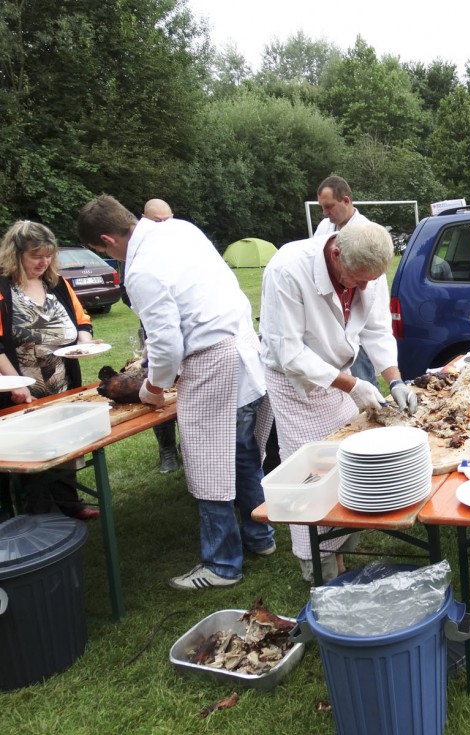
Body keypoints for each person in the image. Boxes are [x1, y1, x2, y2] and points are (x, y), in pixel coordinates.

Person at [77, 195, 276, 589]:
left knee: (208, 464)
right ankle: (260, 537)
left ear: (106, 239)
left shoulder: (141, 270)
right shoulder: (181, 229)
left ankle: (222, 565)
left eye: (102, 251)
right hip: (244, 349)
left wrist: (152, 388)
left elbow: (168, 343)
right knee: (243, 454)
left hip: (213, 361)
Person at [259, 221, 417, 583]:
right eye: (357, 279)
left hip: (339, 377)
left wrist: (395, 380)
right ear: (335, 253)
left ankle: (341, 554)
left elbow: (377, 330)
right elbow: (289, 351)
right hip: (294, 383)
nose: (363, 287)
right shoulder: (288, 268)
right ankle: (319, 569)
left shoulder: (368, 270)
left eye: (370, 280)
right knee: (309, 475)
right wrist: (352, 385)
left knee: (350, 465)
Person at [0, 221, 100, 519]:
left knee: (65, 443)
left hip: (62, 382)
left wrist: (83, 341)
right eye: (35, 256)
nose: (43, 263)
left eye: (47, 255)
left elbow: (82, 320)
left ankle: (70, 505)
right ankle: (41, 518)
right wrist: (14, 382)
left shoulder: (55, 282)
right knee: (32, 452)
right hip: (21, 390)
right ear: (15, 255)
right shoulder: (3, 288)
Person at [313, 176, 378, 387]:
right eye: (322, 207)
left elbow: (373, 287)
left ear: (346, 201)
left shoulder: (367, 232)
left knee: (363, 378)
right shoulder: (324, 227)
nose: (325, 213)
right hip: (331, 317)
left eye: (329, 207)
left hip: (356, 319)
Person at [137, 198, 180, 473]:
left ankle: (189, 445)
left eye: (167, 220)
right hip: (156, 326)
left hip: (190, 327)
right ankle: (167, 448)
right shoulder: (140, 251)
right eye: (156, 221)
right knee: (158, 378)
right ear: (144, 220)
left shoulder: (182, 244)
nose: (163, 226)